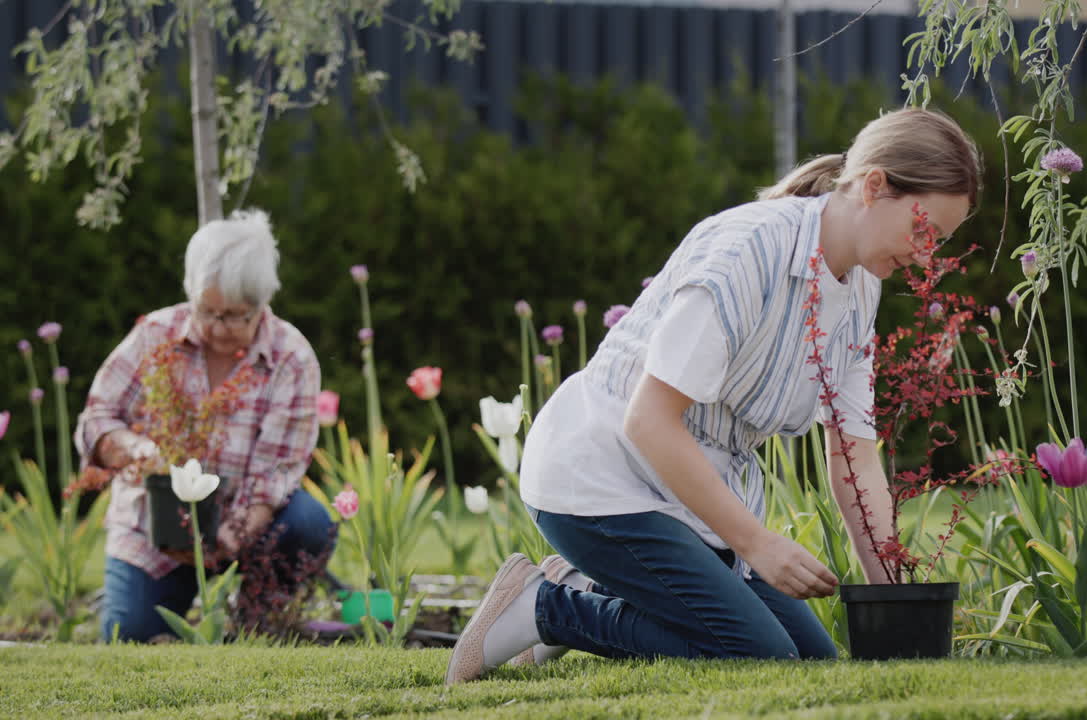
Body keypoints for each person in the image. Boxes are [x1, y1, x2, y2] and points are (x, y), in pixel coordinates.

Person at [445, 108, 981, 683]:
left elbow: (852, 453)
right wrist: (756, 544)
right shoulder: (749, 250)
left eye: (941, 241)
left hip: (683, 499)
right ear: (874, 186)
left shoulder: (860, 291)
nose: (927, 257)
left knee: (812, 663)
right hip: (597, 480)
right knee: (758, 657)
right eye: (924, 231)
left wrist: (891, 592)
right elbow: (648, 421)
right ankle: (545, 606)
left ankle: (588, 583)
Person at [76, 209, 335, 643]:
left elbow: (275, 472)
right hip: (152, 527)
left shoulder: (291, 358)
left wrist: (230, 536)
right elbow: (97, 419)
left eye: (236, 315)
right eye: (208, 311)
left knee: (308, 523)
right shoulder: (155, 336)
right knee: (129, 636)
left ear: (262, 304)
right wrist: (135, 449)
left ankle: (258, 625)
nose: (218, 328)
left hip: (246, 524)